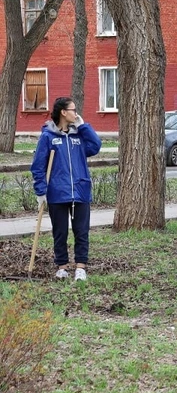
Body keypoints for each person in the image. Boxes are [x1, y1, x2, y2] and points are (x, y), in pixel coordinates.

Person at [31, 97, 102, 281]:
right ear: (63, 112)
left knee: (81, 230)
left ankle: (80, 267)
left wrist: (83, 126)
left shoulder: (79, 135)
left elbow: (96, 146)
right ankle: (62, 266)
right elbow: (38, 166)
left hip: (80, 189)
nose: (76, 113)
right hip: (57, 192)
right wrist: (41, 191)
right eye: (73, 110)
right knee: (60, 231)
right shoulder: (48, 137)